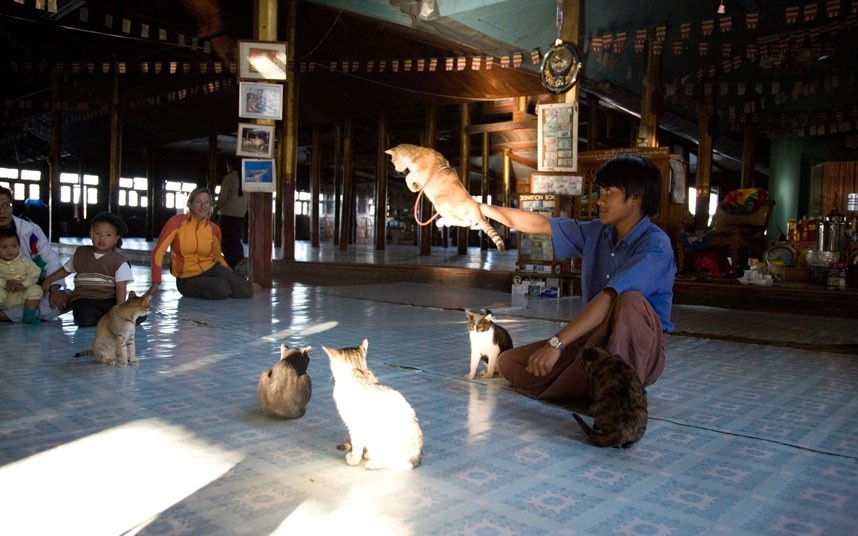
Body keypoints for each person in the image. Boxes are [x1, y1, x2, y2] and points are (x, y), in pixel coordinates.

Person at [479, 154, 675, 401]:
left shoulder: (656, 245)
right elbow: (540, 224)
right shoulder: (597, 232)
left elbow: (610, 296)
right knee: (510, 363)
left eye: (608, 193)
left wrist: (556, 344)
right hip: (596, 340)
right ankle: (592, 386)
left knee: (629, 300)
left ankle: (620, 395)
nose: (600, 201)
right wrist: (480, 209)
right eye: (600, 192)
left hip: (640, 350)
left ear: (635, 199)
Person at [151, 186, 260, 299]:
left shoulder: (213, 229)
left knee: (246, 291)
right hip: (187, 278)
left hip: (211, 268)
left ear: (210, 206)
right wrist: (155, 281)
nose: (203, 206)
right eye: (198, 202)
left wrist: (232, 277)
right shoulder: (177, 223)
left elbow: (217, 256)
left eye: (206, 203)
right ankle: (226, 286)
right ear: (190, 204)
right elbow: (158, 252)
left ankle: (234, 285)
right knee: (222, 289)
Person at [40, 212, 134, 327]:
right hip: (84, 298)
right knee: (84, 320)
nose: (102, 238)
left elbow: (121, 287)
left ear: (116, 239)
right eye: (98, 233)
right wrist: (48, 280)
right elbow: (65, 270)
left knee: (128, 314)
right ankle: (106, 319)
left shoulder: (119, 261)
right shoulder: (81, 253)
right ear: (91, 234)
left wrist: (120, 310)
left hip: (108, 299)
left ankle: (119, 314)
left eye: (108, 235)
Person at [0, 186, 68, 322]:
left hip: (26, 292)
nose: (2, 211)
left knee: (67, 298)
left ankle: (7, 315)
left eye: (6, 205)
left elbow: (50, 261)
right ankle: (24, 314)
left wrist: (54, 289)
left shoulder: (29, 231)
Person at [0, 227, 44, 324]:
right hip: (4, 296)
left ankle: (28, 316)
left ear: (19, 246)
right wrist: (4, 283)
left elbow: (35, 273)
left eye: (14, 246)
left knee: (36, 289)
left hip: (21, 295)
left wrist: (24, 284)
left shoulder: (24, 261)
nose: (10, 250)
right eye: (4, 247)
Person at [214, 156, 249, 271]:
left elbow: (222, 198)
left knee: (224, 241)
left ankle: (232, 264)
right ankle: (239, 263)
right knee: (235, 240)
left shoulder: (229, 178)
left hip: (227, 215)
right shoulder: (247, 178)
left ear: (231, 165)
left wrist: (215, 208)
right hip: (240, 216)